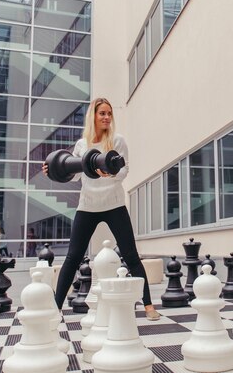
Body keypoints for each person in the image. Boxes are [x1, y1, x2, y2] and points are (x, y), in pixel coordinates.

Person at [42, 97, 160, 321]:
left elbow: (124, 170)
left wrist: (112, 173)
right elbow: (74, 174)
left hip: (113, 204)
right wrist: (53, 171)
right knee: (72, 257)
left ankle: (148, 306)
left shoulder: (117, 140)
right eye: (102, 113)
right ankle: (55, 309)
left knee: (131, 256)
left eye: (109, 114)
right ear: (93, 117)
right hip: (87, 206)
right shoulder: (82, 144)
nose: (106, 117)